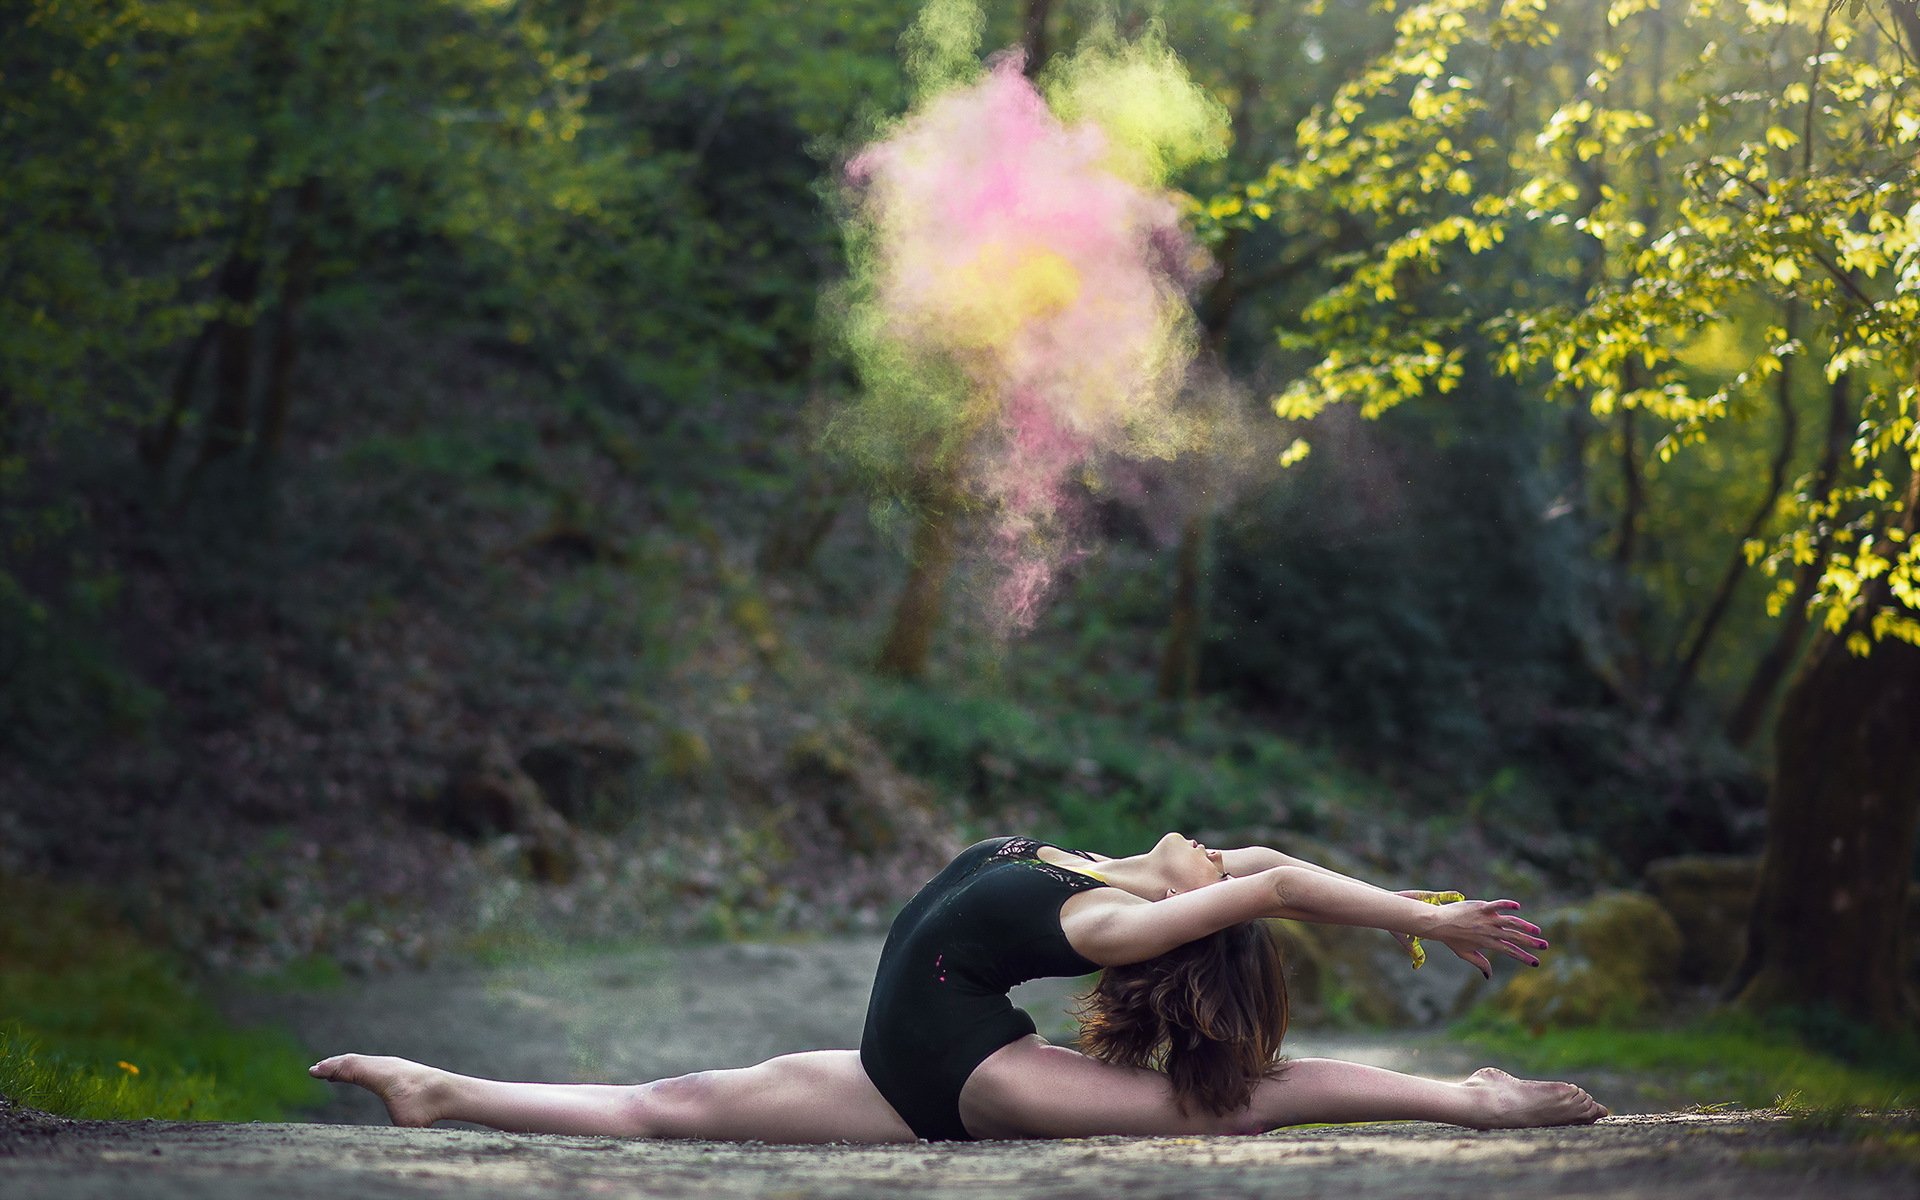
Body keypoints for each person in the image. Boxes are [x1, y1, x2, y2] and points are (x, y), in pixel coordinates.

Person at [311, 833, 1607, 1141]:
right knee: (674, 1103)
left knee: (1229, 1108)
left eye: (1202, 875)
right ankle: (438, 1088)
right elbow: (1261, 866)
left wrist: (1421, 916)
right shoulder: (1102, 868)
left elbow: (1263, 890)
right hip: (905, 1069)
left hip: (977, 1075)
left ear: (1175, 920)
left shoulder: (1108, 918)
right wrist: (1402, 901)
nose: (1214, 849)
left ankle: (1467, 1098)